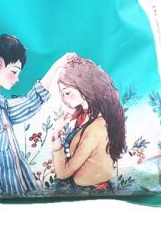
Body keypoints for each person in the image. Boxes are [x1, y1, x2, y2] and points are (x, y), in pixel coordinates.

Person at [0, 34, 71, 198]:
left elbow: (31, 102)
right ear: (0, 63)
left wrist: (56, 67)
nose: (17, 79)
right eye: (14, 71)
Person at [50, 55, 127, 194]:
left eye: (67, 92)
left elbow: (63, 172)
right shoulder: (86, 116)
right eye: (62, 94)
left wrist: (56, 133)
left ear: (84, 87)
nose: (64, 99)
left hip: (90, 191)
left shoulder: (95, 127)